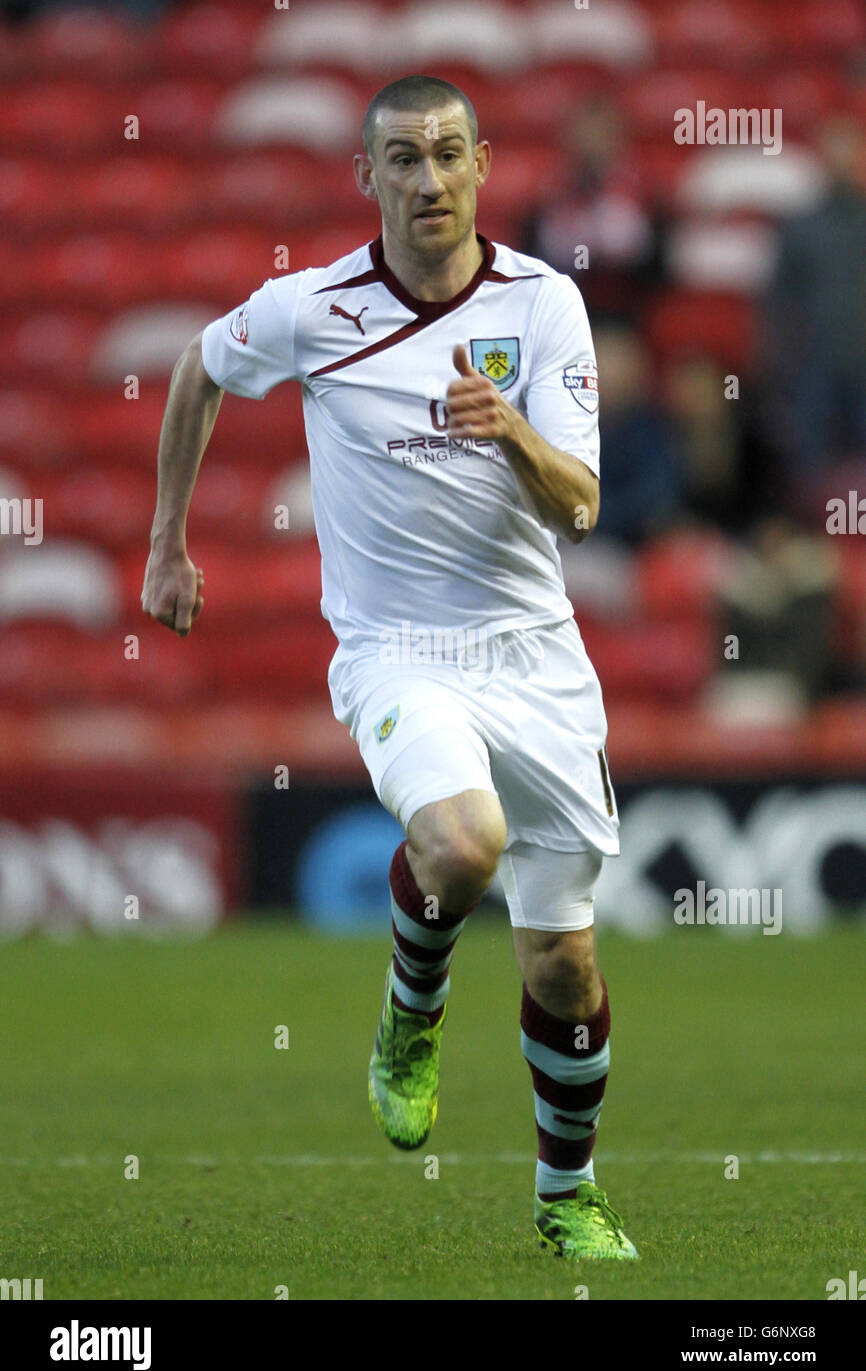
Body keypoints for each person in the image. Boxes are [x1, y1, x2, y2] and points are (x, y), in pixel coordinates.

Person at [141, 74, 637, 1262]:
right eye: (402, 159)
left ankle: (563, 1197)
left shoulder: (544, 305)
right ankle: (409, 1013)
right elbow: (198, 370)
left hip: (534, 657)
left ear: (481, 165)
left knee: (563, 962)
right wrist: (167, 541)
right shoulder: (311, 310)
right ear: (366, 177)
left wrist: (511, 426)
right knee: (463, 842)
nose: (428, 178)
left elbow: (582, 505)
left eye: (448, 154)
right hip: (395, 652)